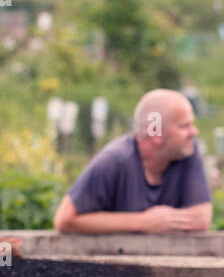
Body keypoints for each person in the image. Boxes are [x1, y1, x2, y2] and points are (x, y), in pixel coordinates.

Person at [54, 89, 213, 234]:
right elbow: (65, 220)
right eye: (184, 126)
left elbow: (201, 219)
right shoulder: (114, 160)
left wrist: (163, 221)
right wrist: (144, 222)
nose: (194, 132)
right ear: (155, 132)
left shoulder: (186, 151)